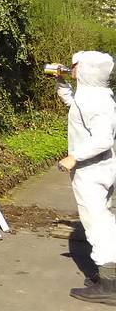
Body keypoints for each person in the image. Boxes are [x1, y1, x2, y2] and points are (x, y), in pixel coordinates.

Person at [56, 50, 116, 304]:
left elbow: (102, 138)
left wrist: (74, 157)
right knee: (104, 218)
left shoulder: (97, 101)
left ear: (88, 70)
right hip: (99, 170)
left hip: (91, 171)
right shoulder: (94, 95)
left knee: (97, 225)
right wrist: (62, 84)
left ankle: (109, 286)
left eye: (76, 66)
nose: (73, 69)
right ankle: (107, 275)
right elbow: (76, 107)